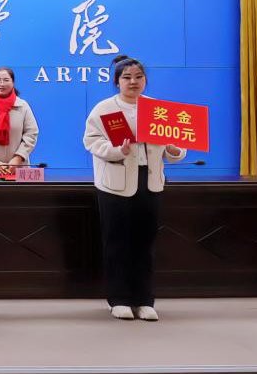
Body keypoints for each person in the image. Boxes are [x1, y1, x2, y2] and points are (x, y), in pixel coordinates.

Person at [83, 55, 185, 322]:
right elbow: (91, 142)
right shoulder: (104, 109)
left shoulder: (158, 109)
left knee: (145, 242)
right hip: (115, 184)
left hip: (149, 181)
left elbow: (175, 148)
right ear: (117, 81)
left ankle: (144, 300)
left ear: (145, 81)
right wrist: (118, 150)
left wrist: (174, 149)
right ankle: (119, 299)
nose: (133, 82)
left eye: (138, 77)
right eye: (126, 77)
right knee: (117, 242)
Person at [0, 67, 39, 176]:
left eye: (6, 80)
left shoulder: (22, 106)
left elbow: (31, 133)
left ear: (13, 82)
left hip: (18, 168)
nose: (2, 84)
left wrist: (18, 158)